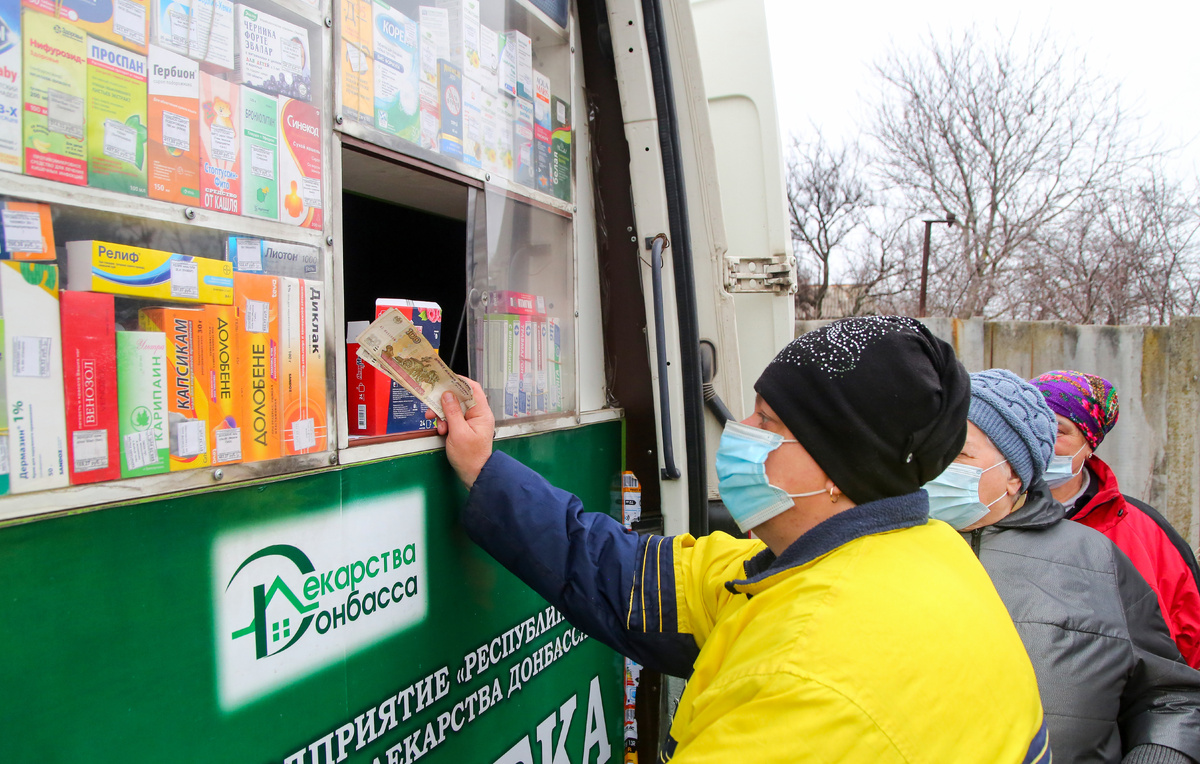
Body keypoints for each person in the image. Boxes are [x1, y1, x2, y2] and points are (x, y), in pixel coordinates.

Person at [432, 316, 1050, 762]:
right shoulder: (912, 552)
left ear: (838, 470)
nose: (740, 431)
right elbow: (623, 572)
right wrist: (484, 467)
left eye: (768, 422)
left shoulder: (807, 683)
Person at [925, 368, 1200, 763]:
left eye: (960, 454)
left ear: (1014, 475)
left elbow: (1171, 695)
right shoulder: (885, 549)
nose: (939, 466)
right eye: (933, 448)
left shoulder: (1099, 558)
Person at [1030, 370, 1200, 668]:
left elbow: (1190, 637)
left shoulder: (1143, 531)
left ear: (1089, 444)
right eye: (1030, 423)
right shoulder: (984, 516)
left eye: (1058, 430)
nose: (1041, 439)